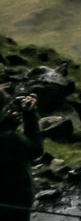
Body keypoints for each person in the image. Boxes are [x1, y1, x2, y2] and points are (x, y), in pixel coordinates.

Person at [0, 91, 42, 221]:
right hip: (14, 199)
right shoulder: (8, 137)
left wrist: (7, 123)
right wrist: (29, 115)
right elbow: (35, 150)